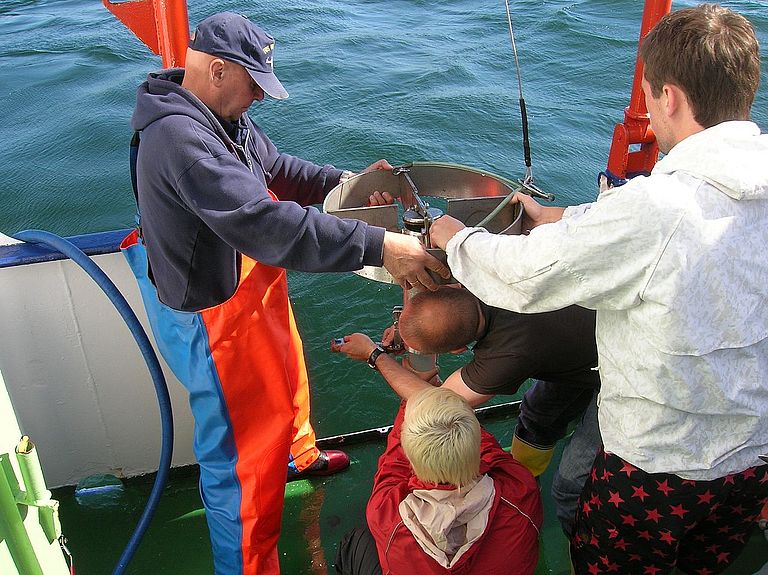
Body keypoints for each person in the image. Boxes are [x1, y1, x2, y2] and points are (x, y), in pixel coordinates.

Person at [429, 4, 768, 574]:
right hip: (751, 462)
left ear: (670, 98)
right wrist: (560, 214)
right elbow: (636, 225)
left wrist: (458, 240)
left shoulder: (655, 209)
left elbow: (523, 276)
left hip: (658, 468)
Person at [120, 11, 450, 575]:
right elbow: (265, 223)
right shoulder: (179, 137)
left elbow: (273, 167)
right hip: (210, 313)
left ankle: (299, 456)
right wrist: (380, 246)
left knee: (290, 377)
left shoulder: (219, 110)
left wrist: (345, 185)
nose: (259, 98)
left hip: (249, 285)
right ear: (217, 68)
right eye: (254, 85)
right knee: (241, 461)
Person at [386, 285, 600, 533]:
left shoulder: (505, 357)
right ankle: (527, 478)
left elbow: (437, 402)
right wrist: (409, 331)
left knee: (570, 485)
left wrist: (375, 356)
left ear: (457, 351)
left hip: (629, 377)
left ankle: (584, 544)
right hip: (590, 339)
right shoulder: (494, 270)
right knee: (537, 413)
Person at [330, 339, 542, 575]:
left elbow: (393, 464)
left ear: (410, 458)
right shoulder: (520, 488)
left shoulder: (388, 513)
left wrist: (376, 355)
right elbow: (482, 444)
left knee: (357, 540)